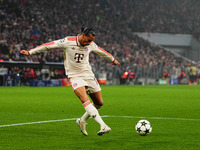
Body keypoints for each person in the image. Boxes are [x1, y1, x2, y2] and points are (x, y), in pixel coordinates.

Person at [20, 27, 120, 136]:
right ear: (83, 35)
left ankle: (81, 121)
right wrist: (30, 52)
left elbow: (102, 52)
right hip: (74, 76)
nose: (89, 43)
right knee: (84, 98)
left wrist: (112, 59)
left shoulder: (90, 44)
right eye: (88, 40)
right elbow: (48, 45)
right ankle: (103, 125)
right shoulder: (68, 41)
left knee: (99, 103)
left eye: (91, 41)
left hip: (88, 74)